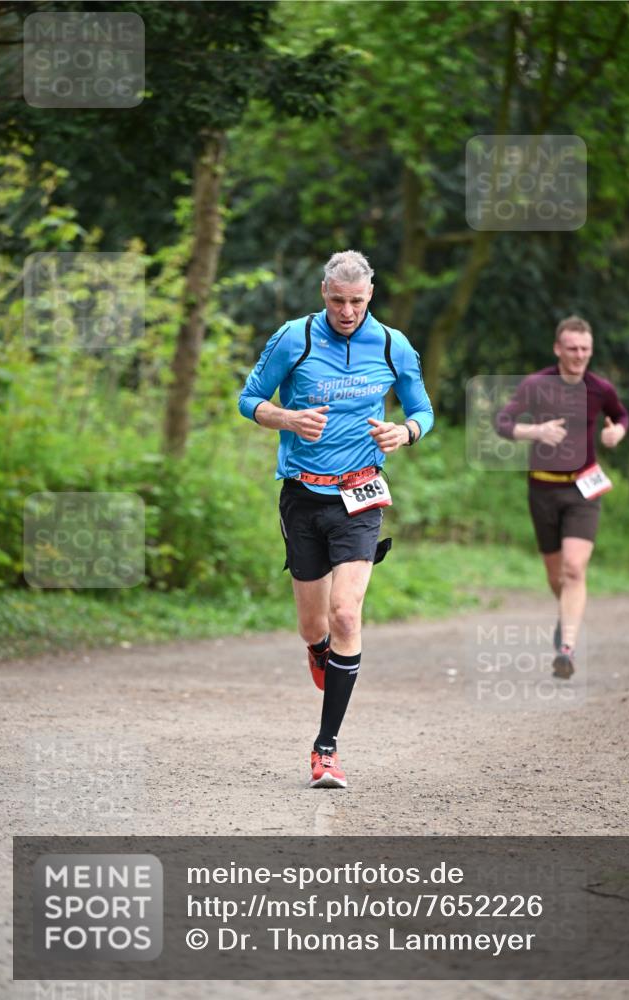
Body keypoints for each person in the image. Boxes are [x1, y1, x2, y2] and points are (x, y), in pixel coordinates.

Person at [238, 250, 434, 788]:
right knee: (315, 625)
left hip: (361, 495)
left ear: (371, 296)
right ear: (323, 294)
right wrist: (286, 417)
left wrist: (407, 432)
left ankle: (325, 749)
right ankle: (319, 650)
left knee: (346, 614)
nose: (347, 312)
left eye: (357, 302)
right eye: (337, 301)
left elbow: (423, 410)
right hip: (303, 495)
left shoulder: (393, 345)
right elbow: (248, 399)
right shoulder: (293, 338)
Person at [495, 315, 629, 679]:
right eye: (572, 348)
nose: (579, 355)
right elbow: (502, 423)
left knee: (574, 568)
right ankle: (566, 614)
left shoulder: (600, 388)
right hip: (542, 488)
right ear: (558, 348)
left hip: (584, 489)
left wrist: (617, 431)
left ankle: (566, 648)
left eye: (585, 349)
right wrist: (535, 431)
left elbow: (621, 415)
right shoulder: (536, 385)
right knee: (556, 575)